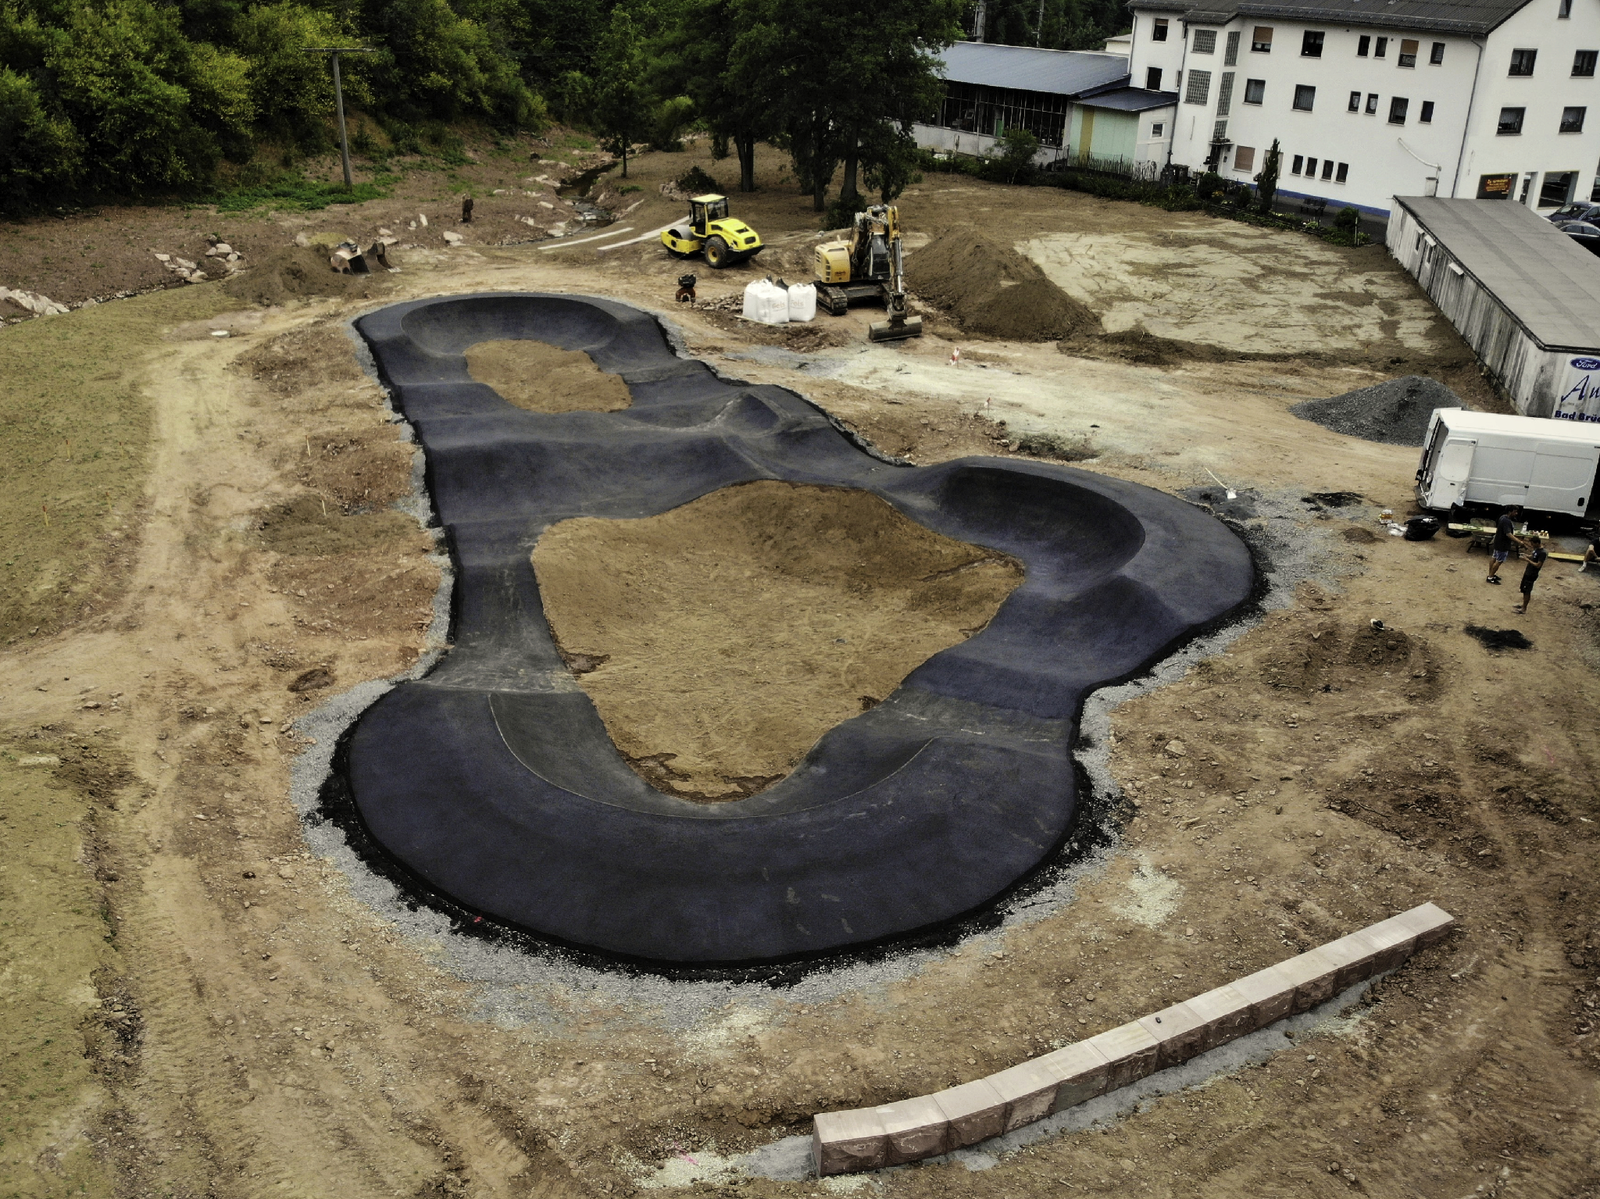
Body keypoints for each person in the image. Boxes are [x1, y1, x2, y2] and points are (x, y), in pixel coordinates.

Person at [1486, 504, 1521, 584]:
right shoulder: (1506, 521)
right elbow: (1508, 534)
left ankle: (1491, 574)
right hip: (1503, 544)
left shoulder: (1502, 517)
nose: (1516, 513)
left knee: (1494, 558)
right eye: (1515, 512)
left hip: (1498, 542)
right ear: (1510, 511)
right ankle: (1490, 577)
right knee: (1499, 561)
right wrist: (1519, 541)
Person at [1513, 534, 1548, 613]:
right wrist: (1527, 556)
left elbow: (1538, 565)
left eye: (1532, 544)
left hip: (1532, 574)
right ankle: (1523, 604)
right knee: (1524, 589)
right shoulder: (1536, 550)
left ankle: (1524, 609)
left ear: (1537, 543)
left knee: (1527, 591)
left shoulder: (1542, 553)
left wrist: (1527, 560)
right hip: (1528, 571)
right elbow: (1533, 557)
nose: (1531, 545)